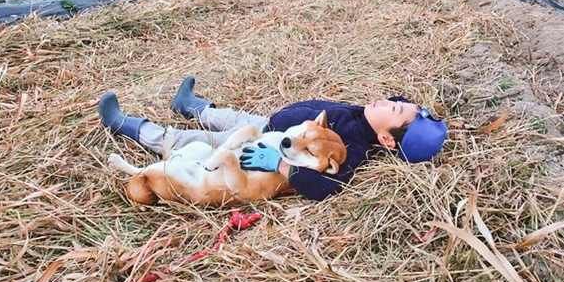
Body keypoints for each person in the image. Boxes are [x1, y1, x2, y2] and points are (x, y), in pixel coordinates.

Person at [98, 76, 447, 203]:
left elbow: (326, 186)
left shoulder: (353, 146)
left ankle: (128, 125)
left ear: (386, 140)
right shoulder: (366, 115)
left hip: (264, 145)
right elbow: (398, 106)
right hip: (267, 125)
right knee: (227, 116)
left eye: (395, 109)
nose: (388, 101)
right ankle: (190, 105)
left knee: (193, 141)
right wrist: (418, 114)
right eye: (397, 101)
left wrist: (279, 164)